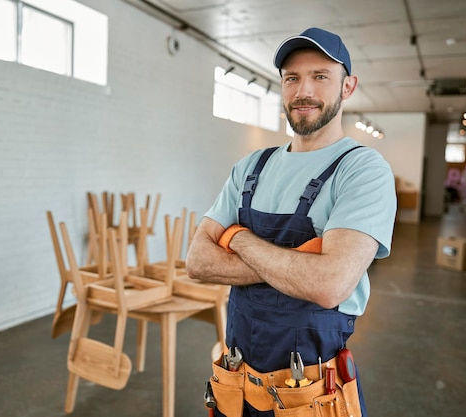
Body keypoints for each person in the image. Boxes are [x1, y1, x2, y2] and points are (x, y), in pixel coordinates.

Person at [186, 27, 397, 417]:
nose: (304, 92)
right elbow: (198, 261)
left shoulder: (362, 170)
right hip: (239, 383)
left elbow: (329, 284)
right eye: (292, 78)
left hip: (312, 393)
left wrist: (237, 238)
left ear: (347, 87)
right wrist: (299, 262)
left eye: (320, 77)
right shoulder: (251, 167)